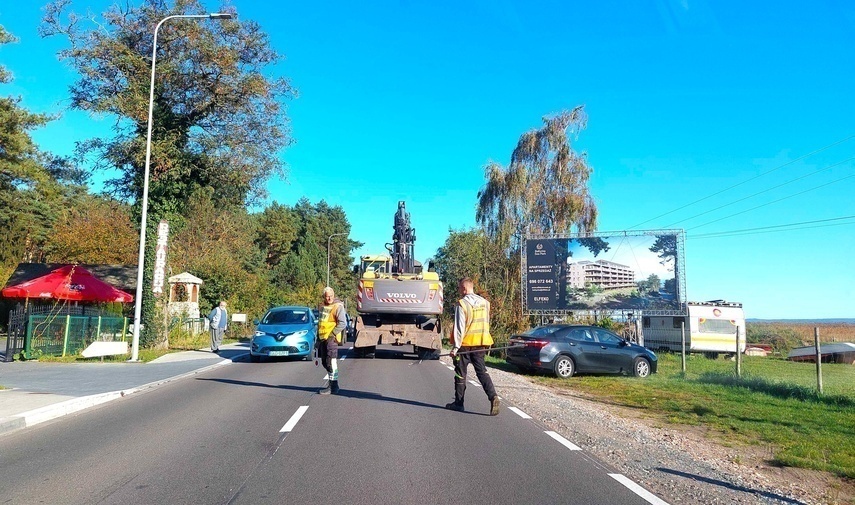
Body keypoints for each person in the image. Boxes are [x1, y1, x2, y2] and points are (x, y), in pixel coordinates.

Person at [446, 278, 500, 415]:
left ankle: (459, 403)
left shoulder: (462, 304)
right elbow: (486, 323)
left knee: (460, 374)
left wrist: (455, 348)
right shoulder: (485, 303)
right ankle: (493, 396)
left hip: (465, 345)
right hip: (481, 343)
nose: (459, 291)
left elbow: (459, 328)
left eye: (459, 288)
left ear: (464, 289)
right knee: (482, 372)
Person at [317, 286, 347, 395]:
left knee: (331, 362)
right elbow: (320, 324)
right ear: (324, 297)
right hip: (323, 338)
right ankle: (333, 384)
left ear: (333, 295)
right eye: (327, 297)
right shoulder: (322, 306)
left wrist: (332, 334)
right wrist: (317, 339)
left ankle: (333, 386)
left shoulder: (338, 306)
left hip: (332, 339)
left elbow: (343, 323)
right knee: (325, 362)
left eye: (331, 296)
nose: (329, 298)